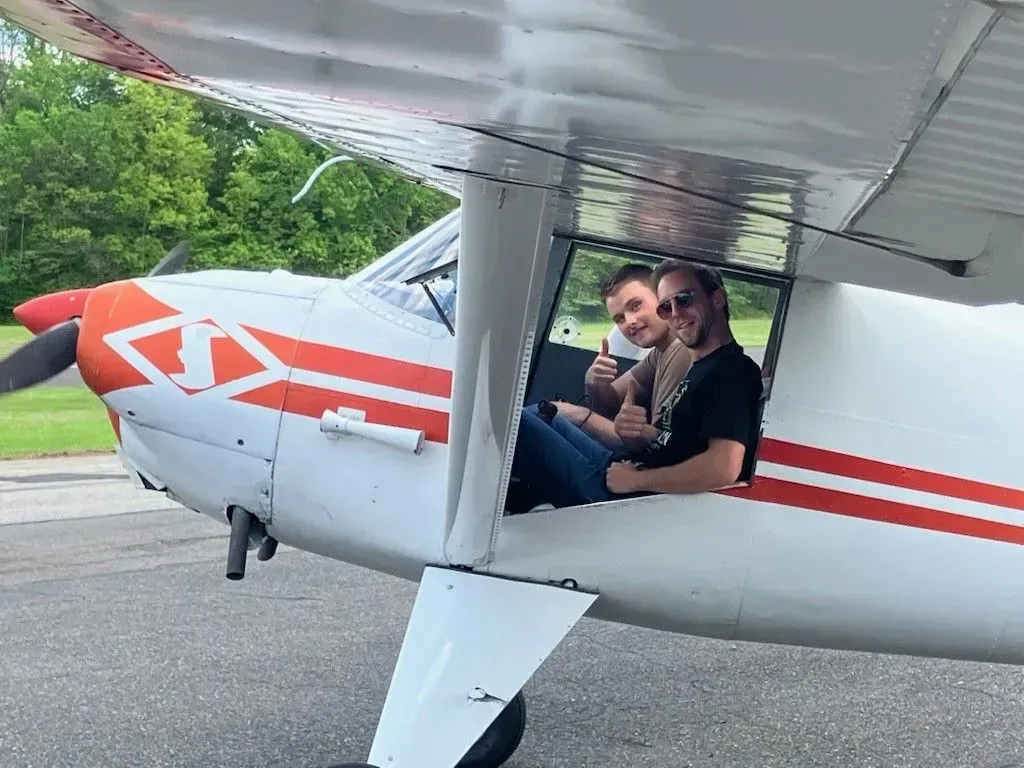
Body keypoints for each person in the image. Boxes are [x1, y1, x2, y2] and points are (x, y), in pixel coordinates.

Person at [510, 263, 691, 508]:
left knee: (518, 421)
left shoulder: (682, 352)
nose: (630, 322)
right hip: (628, 469)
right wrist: (594, 382)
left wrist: (580, 414)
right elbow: (611, 401)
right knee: (539, 416)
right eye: (619, 318)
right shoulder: (661, 352)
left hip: (632, 495)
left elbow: (657, 446)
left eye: (635, 306)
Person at [605, 259, 764, 496]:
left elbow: (723, 468)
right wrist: (633, 431)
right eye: (665, 308)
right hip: (632, 471)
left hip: (646, 501)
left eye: (684, 300)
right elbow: (673, 442)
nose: (676, 314)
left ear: (717, 299)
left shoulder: (732, 370)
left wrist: (636, 481)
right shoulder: (700, 365)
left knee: (535, 427)